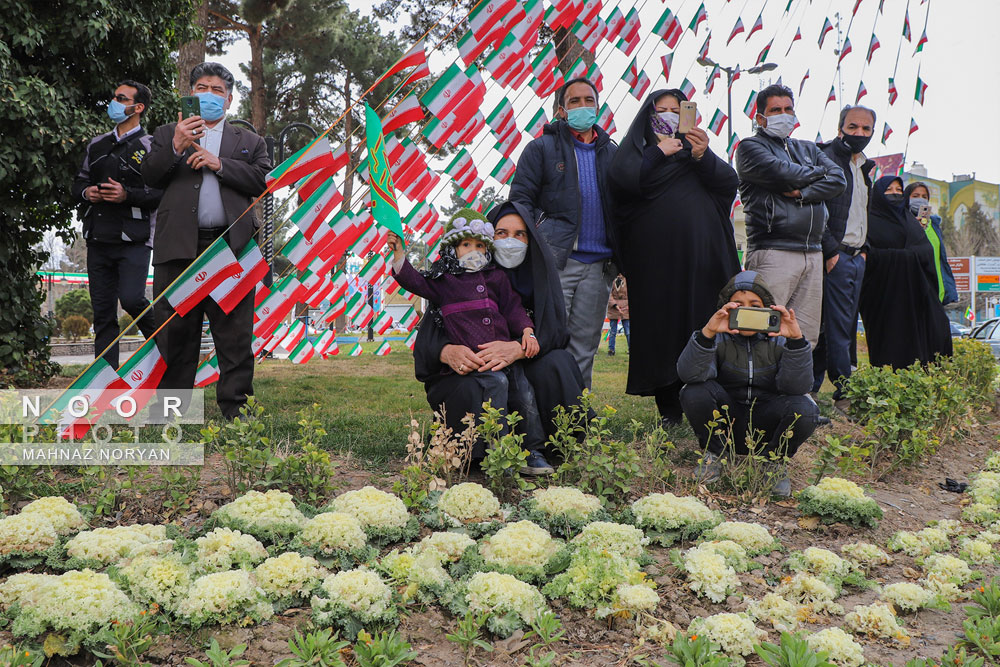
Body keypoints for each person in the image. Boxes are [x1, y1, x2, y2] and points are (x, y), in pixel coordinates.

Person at [412, 200, 587, 467]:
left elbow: (555, 333)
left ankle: (547, 446)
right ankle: (480, 453)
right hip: (476, 366)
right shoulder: (454, 279)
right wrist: (447, 351)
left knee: (559, 363)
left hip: (524, 364)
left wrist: (518, 347)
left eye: (520, 234)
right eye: (501, 233)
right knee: (474, 384)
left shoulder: (540, 275)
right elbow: (428, 340)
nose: (511, 241)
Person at [142, 62, 270, 419]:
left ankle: (236, 408)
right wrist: (176, 145)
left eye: (217, 90)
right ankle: (171, 410)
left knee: (235, 333)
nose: (209, 95)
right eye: (201, 87)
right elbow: (150, 176)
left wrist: (220, 164)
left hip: (231, 249)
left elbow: (263, 180)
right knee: (175, 330)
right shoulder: (168, 131)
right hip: (178, 248)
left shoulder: (249, 141)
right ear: (190, 94)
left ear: (228, 101)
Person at [609, 89, 741, 425]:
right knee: (661, 326)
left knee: (703, 322)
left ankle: (710, 399)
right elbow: (623, 183)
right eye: (661, 110)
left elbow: (728, 183)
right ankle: (669, 407)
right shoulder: (636, 153)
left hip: (703, 260)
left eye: (675, 109)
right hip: (655, 262)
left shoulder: (694, 152)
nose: (668, 115)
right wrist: (656, 153)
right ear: (647, 116)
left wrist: (702, 155)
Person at [391, 207, 554, 475]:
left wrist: (527, 330)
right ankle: (498, 452)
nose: (473, 250)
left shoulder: (496, 278)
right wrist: (399, 255)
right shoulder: (444, 280)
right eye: (466, 244)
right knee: (496, 386)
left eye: (480, 245)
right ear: (453, 248)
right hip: (475, 360)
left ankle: (532, 449)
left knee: (524, 392)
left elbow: (514, 308)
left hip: (502, 355)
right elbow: (416, 282)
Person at [510, 77, 619, 389]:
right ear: (561, 110)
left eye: (589, 100)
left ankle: (576, 417)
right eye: (574, 101)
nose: (583, 107)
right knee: (548, 341)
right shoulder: (540, 149)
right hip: (556, 262)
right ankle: (542, 415)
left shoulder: (612, 153)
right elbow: (520, 202)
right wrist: (535, 249)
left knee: (585, 347)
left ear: (598, 107)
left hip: (600, 267)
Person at [677, 270, 819, 498]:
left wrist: (795, 342)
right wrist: (707, 334)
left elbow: (796, 388)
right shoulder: (717, 336)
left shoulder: (780, 338)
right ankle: (716, 453)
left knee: (805, 407)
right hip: (727, 420)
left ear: (767, 308)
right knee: (693, 391)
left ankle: (772, 462)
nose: (747, 309)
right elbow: (689, 375)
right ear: (727, 307)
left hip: (766, 421)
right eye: (738, 304)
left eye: (755, 303)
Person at [736, 84, 846, 348]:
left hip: (813, 252)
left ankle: (797, 389)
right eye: (776, 110)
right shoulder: (750, 148)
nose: (784, 115)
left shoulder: (807, 148)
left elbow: (838, 179)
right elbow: (783, 174)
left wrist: (801, 193)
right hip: (774, 250)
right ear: (760, 117)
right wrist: (817, 173)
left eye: (788, 109)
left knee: (803, 335)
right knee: (761, 328)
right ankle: (757, 388)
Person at [71, 80, 161, 369]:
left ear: (138, 107)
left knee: (133, 299)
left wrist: (126, 195)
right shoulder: (97, 145)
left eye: (121, 98)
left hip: (134, 239)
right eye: (114, 97)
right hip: (98, 238)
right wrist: (88, 193)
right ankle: (104, 379)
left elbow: (159, 194)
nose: (114, 102)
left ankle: (167, 352)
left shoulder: (150, 146)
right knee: (103, 313)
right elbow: (78, 184)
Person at [810, 106, 877, 413]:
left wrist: (863, 251)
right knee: (833, 327)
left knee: (842, 327)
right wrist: (831, 250)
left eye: (866, 129)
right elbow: (816, 207)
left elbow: (862, 213)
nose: (859, 134)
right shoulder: (825, 158)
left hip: (855, 257)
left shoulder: (864, 167)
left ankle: (812, 389)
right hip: (834, 256)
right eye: (853, 127)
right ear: (841, 128)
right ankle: (844, 393)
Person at [859, 176, 953, 369]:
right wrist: (903, 257)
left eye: (898, 190)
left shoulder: (909, 221)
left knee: (938, 330)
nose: (895, 194)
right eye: (889, 190)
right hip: (884, 299)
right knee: (891, 345)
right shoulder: (868, 222)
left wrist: (906, 256)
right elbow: (866, 256)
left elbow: (926, 251)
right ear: (878, 194)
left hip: (916, 295)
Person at [905, 182, 958, 305]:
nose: (920, 200)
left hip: (937, 293)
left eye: (924, 197)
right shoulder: (902, 222)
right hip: (914, 292)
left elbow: (940, 259)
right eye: (915, 196)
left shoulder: (933, 224)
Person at [606, 274, 629, 356]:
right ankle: (611, 350)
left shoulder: (627, 279)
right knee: (613, 331)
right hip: (613, 309)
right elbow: (609, 294)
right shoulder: (611, 279)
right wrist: (615, 305)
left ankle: (631, 349)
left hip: (625, 308)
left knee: (628, 331)